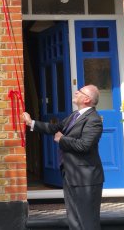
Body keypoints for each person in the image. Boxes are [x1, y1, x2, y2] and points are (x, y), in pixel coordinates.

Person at [22, 84, 104, 230]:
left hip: (86, 179)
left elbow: (84, 145)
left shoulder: (94, 120)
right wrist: (31, 123)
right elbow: (54, 128)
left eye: (81, 91)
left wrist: (62, 140)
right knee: (74, 220)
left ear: (87, 99)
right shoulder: (75, 115)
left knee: (87, 221)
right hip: (70, 175)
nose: (77, 91)